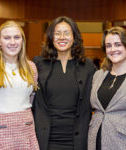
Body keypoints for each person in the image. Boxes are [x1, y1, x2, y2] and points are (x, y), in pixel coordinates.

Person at [32, 16, 96, 150]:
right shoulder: (37, 64)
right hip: (45, 140)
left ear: (74, 37)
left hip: (78, 140)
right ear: (50, 37)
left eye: (67, 33)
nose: (62, 37)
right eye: (57, 33)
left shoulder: (88, 66)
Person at [88, 26, 126, 150]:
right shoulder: (98, 75)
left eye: (118, 44)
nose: (113, 49)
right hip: (96, 142)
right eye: (108, 45)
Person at [0, 21, 39, 149]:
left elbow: (31, 98)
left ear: (22, 41)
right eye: (7, 38)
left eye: (17, 37)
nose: (12, 42)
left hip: (26, 131)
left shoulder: (31, 68)